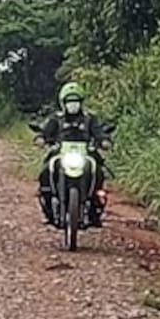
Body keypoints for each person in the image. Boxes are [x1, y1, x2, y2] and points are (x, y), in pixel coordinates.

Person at [36, 81, 111, 227]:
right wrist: (41, 138)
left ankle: (95, 213)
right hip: (61, 153)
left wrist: (104, 141)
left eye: (76, 101)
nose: (73, 105)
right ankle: (49, 211)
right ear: (63, 103)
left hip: (86, 154)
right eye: (69, 102)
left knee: (99, 174)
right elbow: (46, 132)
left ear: (81, 102)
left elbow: (99, 133)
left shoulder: (89, 118)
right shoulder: (56, 119)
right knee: (45, 173)